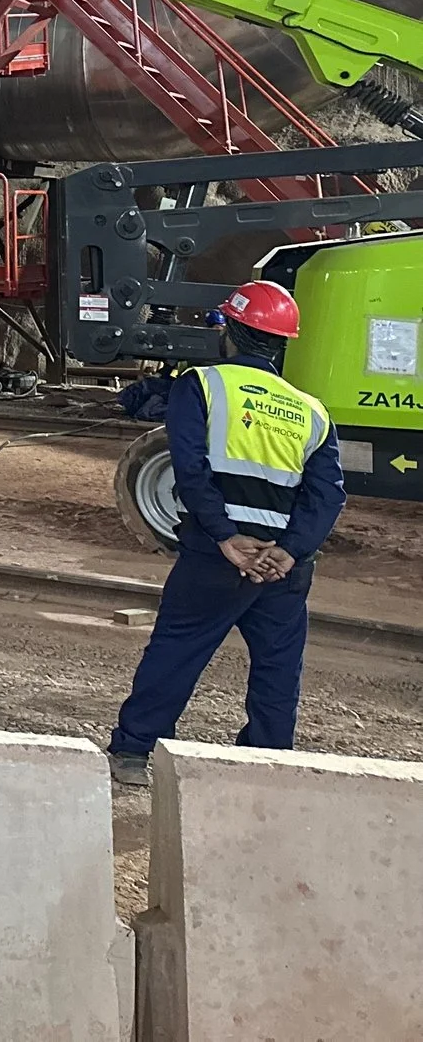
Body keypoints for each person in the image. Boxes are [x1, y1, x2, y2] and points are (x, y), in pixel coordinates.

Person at [106, 280, 344, 785]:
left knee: (177, 649)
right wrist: (288, 552)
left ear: (231, 332)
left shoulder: (203, 385)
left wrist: (224, 537)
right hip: (284, 568)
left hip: (218, 556)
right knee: (278, 670)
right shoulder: (312, 410)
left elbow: (189, 468)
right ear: (281, 343)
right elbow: (327, 497)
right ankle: (267, 763)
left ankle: (132, 754)